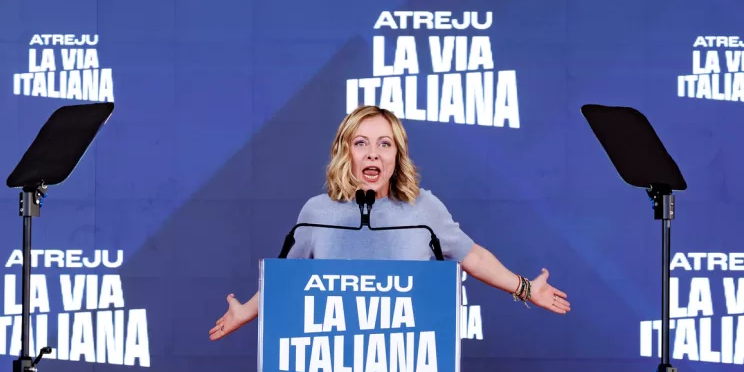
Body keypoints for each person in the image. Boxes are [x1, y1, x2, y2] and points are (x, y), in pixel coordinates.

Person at [209, 105, 570, 341]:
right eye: (361, 143)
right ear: (345, 152)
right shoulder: (316, 213)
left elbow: (471, 256)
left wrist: (524, 287)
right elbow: (284, 277)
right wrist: (248, 310)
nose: (372, 153)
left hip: (404, 367)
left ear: (397, 155)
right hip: (331, 369)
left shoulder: (423, 208)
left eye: (385, 144)